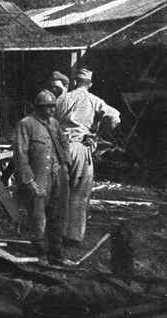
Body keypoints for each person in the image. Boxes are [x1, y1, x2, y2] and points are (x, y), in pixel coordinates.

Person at [56, 68, 120, 246]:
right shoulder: (94, 100)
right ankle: (73, 236)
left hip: (59, 147)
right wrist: (98, 136)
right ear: (89, 85)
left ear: (74, 82)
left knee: (59, 191)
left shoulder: (61, 99)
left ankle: (55, 232)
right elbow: (115, 118)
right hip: (80, 146)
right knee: (79, 191)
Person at [13, 90, 71, 265]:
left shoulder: (54, 123)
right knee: (38, 218)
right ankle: (41, 253)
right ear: (39, 107)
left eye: (53, 107)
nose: (52, 111)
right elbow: (20, 155)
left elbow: (64, 142)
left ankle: (57, 253)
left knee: (59, 215)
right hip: (38, 178)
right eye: (48, 108)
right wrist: (28, 181)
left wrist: (66, 163)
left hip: (58, 176)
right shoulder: (26, 124)